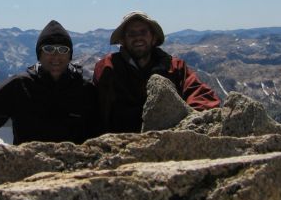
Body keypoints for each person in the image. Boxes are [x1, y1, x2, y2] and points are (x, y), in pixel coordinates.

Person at [0, 20, 100, 154]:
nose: (56, 56)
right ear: (39, 54)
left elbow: (100, 128)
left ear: (70, 55)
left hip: (73, 169)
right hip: (27, 166)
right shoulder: (20, 86)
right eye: (48, 49)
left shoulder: (84, 87)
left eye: (63, 50)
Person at [93, 11, 221, 133]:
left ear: (153, 38)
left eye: (143, 32)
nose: (138, 37)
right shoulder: (109, 68)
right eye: (131, 33)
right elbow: (93, 105)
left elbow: (201, 95)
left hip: (168, 141)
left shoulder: (175, 67)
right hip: (119, 144)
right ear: (123, 40)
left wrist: (191, 123)